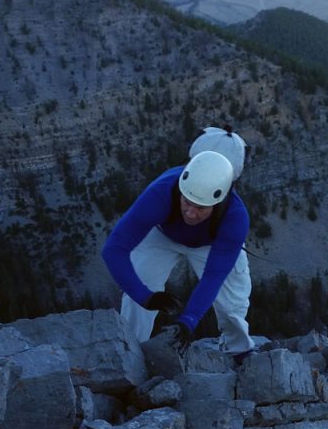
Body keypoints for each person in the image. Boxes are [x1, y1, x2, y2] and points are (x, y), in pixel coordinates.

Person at [102, 127, 253, 356]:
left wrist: (189, 320)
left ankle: (238, 351)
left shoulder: (234, 217)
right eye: (187, 202)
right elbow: (113, 250)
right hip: (162, 235)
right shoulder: (161, 193)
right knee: (137, 294)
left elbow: (214, 276)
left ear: (219, 200)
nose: (190, 214)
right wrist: (145, 297)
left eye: (200, 208)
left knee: (232, 304)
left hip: (210, 243)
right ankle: (131, 355)